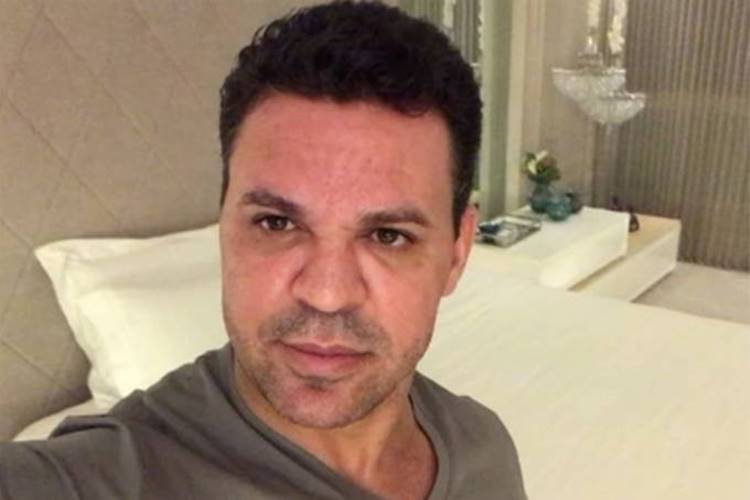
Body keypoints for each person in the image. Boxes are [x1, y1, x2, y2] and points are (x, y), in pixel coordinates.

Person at [0, 1, 526, 498]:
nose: (326, 294)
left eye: (388, 235)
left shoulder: (485, 449)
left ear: (457, 252)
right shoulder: (110, 473)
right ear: (224, 227)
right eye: (277, 223)